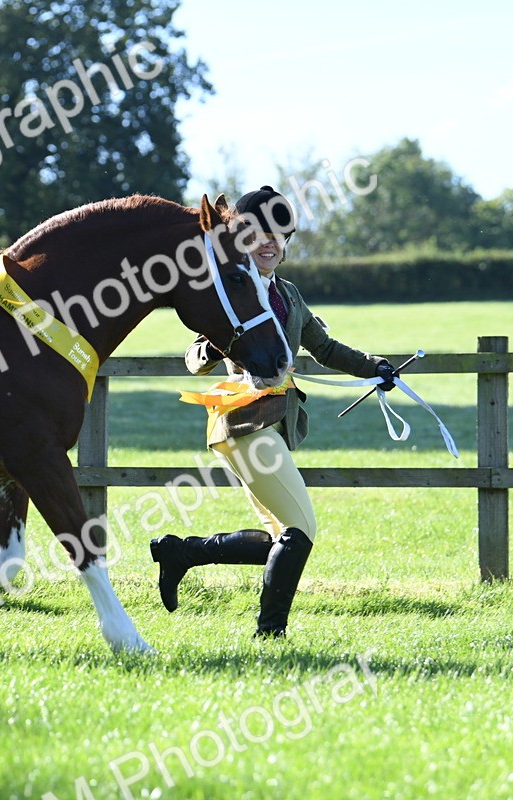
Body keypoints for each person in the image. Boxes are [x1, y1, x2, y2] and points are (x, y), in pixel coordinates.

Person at [151, 186, 396, 638]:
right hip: (243, 420)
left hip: (275, 424)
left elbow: (323, 347)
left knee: (279, 537)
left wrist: (373, 367)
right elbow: (193, 355)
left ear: (286, 244)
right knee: (301, 528)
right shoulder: (227, 286)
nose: (268, 242)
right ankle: (271, 633)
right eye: (257, 233)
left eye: (278, 235)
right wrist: (209, 349)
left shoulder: (289, 295)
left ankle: (181, 552)